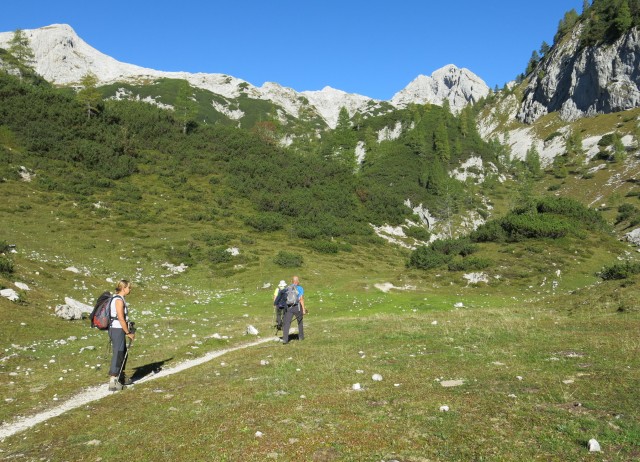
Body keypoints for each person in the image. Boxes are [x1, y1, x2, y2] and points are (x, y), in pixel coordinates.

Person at [108, 279, 135, 391]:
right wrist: (128, 332)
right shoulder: (118, 300)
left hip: (117, 329)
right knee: (119, 353)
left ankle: (121, 376)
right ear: (123, 288)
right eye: (129, 287)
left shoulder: (118, 298)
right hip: (117, 329)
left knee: (122, 352)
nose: (130, 289)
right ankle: (113, 380)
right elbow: (120, 318)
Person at [281, 275, 307, 344]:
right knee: (300, 322)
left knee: (287, 323)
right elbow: (301, 299)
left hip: (289, 307)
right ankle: (301, 337)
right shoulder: (300, 288)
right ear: (298, 281)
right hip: (297, 307)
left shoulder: (288, 288)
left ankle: (285, 339)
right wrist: (303, 309)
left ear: (292, 281)